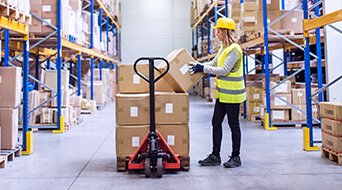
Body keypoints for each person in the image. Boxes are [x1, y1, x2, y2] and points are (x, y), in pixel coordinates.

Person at [189, 18, 246, 168]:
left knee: (234, 125)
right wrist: (198, 65)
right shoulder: (223, 48)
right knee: (216, 123)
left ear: (225, 32)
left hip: (233, 95)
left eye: (218, 31)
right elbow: (213, 64)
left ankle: (236, 157)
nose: (216, 34)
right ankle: (215, 155)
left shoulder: (234, 50)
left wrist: (203, 69)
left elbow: (224, 70)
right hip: (222, 95)